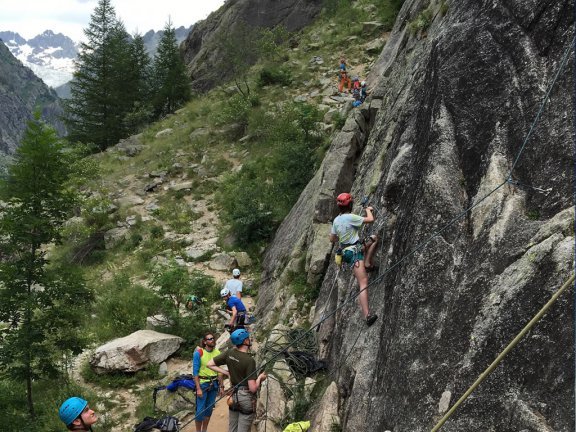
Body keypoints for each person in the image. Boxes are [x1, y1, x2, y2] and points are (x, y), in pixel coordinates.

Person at [330, 192, 379, 326]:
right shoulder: (350, 217)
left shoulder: (336, 220)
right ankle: (367, 315)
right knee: (363, 283)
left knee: (373, 239)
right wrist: (368, 210)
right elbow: (370, 219)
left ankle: (368, 264)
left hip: (346, 252)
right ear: (350, 204)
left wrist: (343, 234)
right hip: (354, 253)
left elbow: (332, 239)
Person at [207, 329, 267, 432]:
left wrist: (226, 372)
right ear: (245, 341)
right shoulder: (249, 361)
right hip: (245, 397)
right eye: (248, 338)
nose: (250, 339)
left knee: (232, 429)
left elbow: (210, 364)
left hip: (233, 395)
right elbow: (252, 388)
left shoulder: (229, 352)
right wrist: (260, 378)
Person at [193, 333, 224, 432]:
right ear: (204, 342)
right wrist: (198, 388)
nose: (212, 340)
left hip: (214, 384)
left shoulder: (217, 352)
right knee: (200, 410)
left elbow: (219, 371)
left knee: (209, 409)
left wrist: (222, 386)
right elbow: (195, 372)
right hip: (203, 384)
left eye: (213, 338)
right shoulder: (199, 353)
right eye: (209, 339)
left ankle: (204, 430)